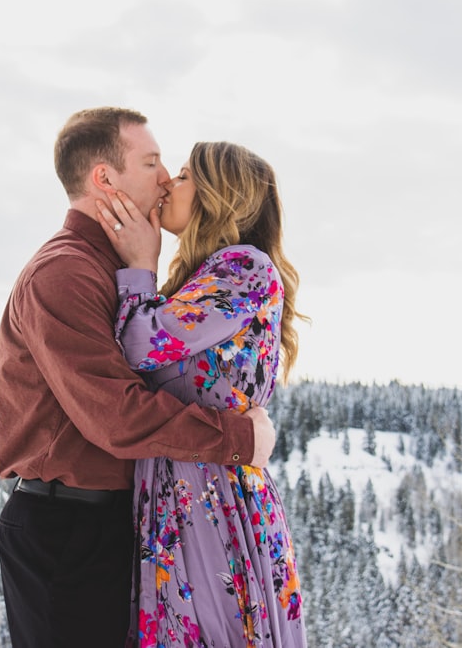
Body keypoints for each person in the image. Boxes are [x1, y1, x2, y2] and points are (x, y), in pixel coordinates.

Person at [0, 108, 278, 647]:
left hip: (113, 523)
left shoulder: (114, 267)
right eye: (151, 162)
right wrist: (238, 439)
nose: (166, 176)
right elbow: (116, 415)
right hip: (68, 528)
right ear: (105, 178)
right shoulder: (65, 271)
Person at [94, 141, 308, 646]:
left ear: (220, 195)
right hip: (180, 489)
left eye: (186, 176)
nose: (169, 182)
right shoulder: (203, 277)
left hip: (215, 498)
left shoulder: (245, 268)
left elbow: (136, 345)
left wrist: (140, 266)